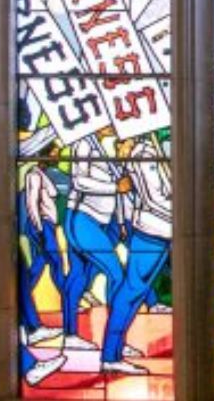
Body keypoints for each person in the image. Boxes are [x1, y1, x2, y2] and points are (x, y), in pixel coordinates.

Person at [98, 134, 172, 375]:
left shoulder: (148, 150)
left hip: (158, 229)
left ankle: (113, 353)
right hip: (154, 230)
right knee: (130, 293)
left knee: (134, 294)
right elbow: (154, 198)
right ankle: (110, 355)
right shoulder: (143, 154)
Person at [58, 129, 134, 354]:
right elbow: (79, 181)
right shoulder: (84, 143)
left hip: (99, 222)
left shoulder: (105, 147)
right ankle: (115, 344)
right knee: (116, 275)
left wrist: (119, 222)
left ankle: (71, 335)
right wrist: (114, 187)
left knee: (78, 277)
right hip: (82, 219)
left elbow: (119, 192)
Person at [18, 156, 67, 347]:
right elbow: (31, 202)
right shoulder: (33, 175)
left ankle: (25, 302)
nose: (56, 156)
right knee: (54, 262)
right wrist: (38, 228)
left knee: (41, 264)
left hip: (46, 225)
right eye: (53, 152)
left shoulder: (42, 175)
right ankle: (66, 295)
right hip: (41, 225)